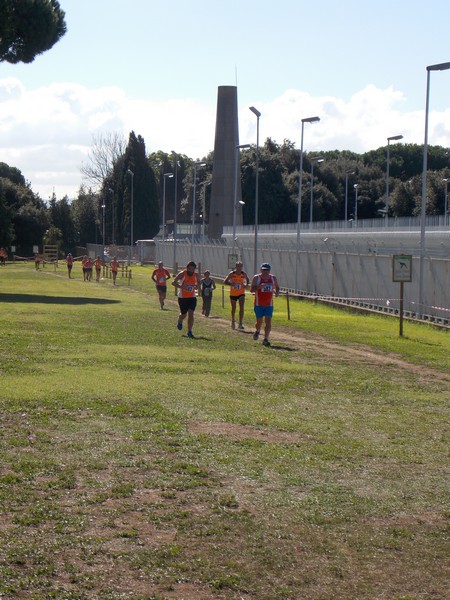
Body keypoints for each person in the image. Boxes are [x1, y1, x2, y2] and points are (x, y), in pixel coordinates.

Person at [250, 262, 280, 347]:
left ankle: (266, 338)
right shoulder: (257, 278)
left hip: (268, 304)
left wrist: (277, 292)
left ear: (269, 270)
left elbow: (277, 287)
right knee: (259, 322)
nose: (265, 272)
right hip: (258, 304)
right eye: (263, 270)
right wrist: (259, 287)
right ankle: (258, 330)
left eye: (267, 270)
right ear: (261, 270)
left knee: (268, 321)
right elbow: (251, 289)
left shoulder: (273, 278)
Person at [172, 261, 200, 338]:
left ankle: (189, 331)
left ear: (194, 269)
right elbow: (173, 282)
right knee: (183, 315)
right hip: (182, 298)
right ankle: (180, 320)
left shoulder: (196, 275)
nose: (191, 270)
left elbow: (199, 282)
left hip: (192, 297)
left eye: (192, 269)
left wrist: (197, 286)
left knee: (191, 314)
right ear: (187, 268)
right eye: (189, 268)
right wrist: (181, 287)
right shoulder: (182, 274)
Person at [224, 260, 250, 329]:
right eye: (238, 266)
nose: (239, 268)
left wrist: (246, 284)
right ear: (235, 267)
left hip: (241, 293)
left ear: (242, 267)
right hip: (233, 293)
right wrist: (231, 284)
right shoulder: (232, 274)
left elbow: (248, 280)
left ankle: (240, 323)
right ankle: (233, 321)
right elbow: (225, 281)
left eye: (240, 266)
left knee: (241, 307)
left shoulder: (243, 274)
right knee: (234, 308)